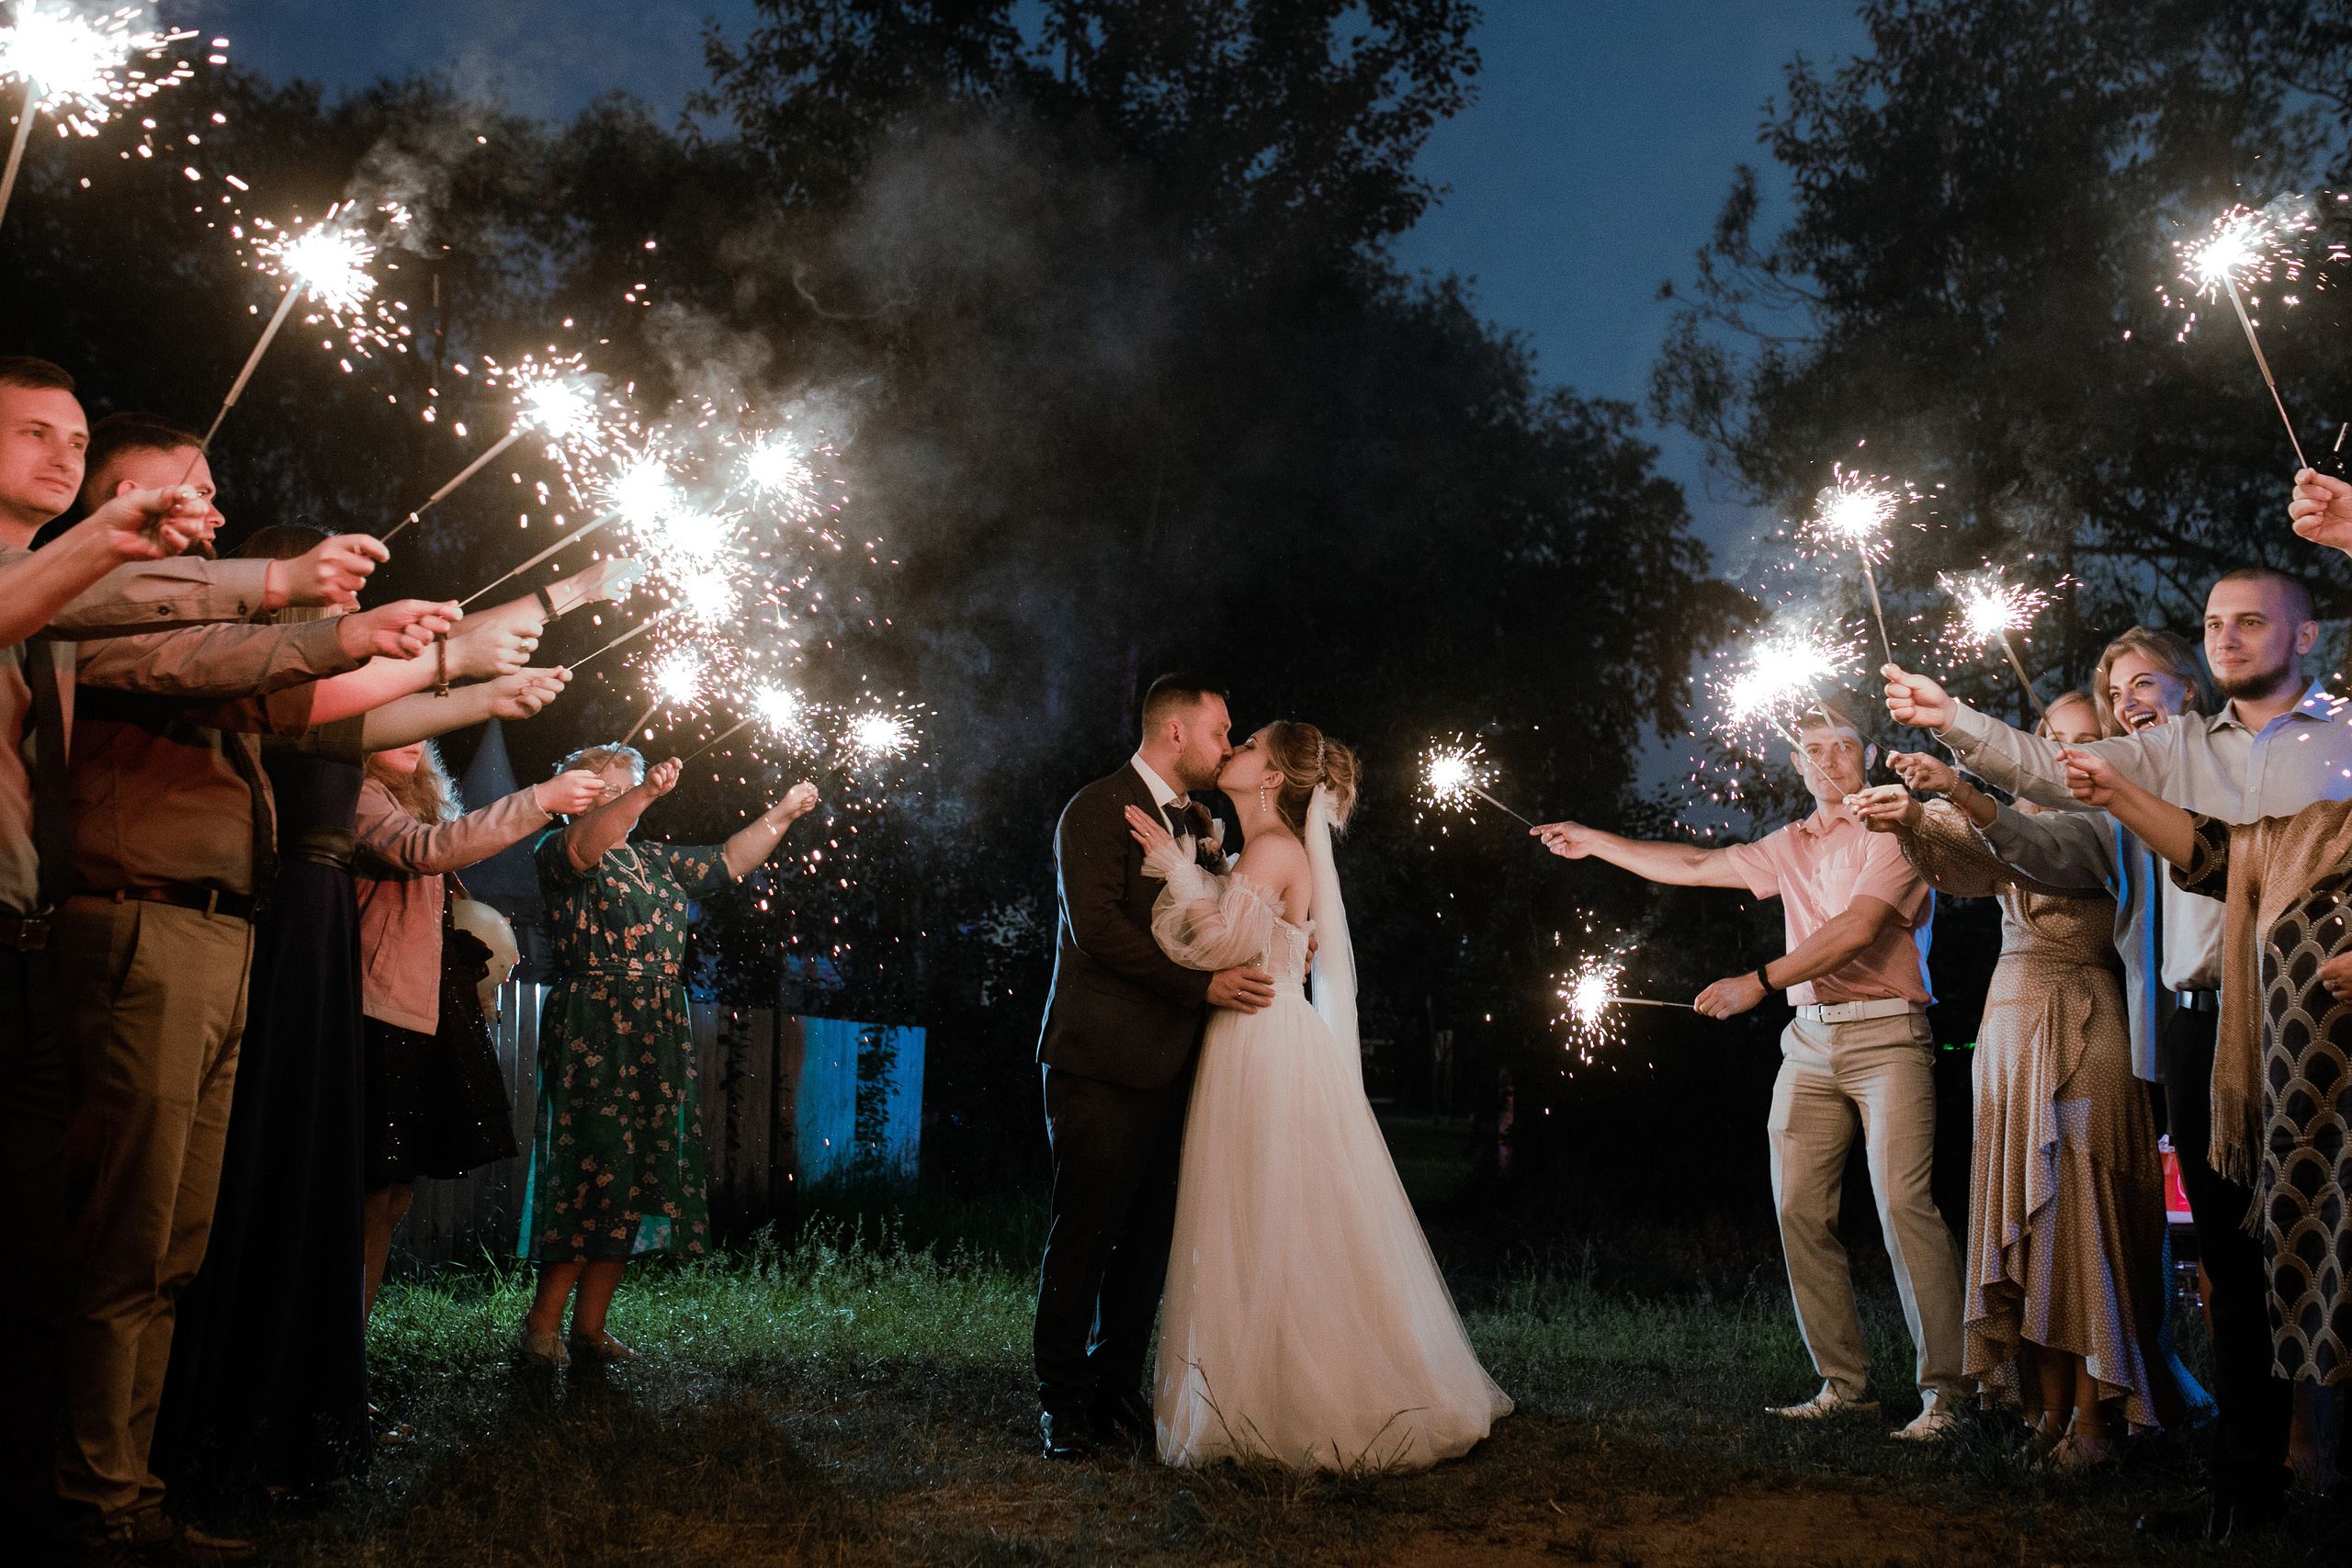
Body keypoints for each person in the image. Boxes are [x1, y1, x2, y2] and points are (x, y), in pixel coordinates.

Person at [1883, 561, 2352, 1534]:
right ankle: (2245, 1489)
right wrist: (1953, 719)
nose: (2227, 638)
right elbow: (2051, 772)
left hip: (2319, 1014)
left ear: (2305, 636)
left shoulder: (2344, 736)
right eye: (2214, 623)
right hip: (2198, 1024)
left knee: (2328, 1245)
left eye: (2250, 621)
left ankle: (2326, 1459)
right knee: (2232, 1262)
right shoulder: (2171, 750)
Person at [1534, 705, 1968, 1438]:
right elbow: (1695, 865)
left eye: (1843, 746)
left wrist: (1757, 982)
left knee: (1904, 1205)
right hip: (1809, 1041)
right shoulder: (1789, 842)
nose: (1829, 759)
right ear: (1798, 763)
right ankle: (1846, 1385)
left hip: (1888, 1034)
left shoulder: (1900, 828)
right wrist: (1595, 841)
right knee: (1798, 1207)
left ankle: (1951, 1394)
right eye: (1813, 749)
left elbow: (1857, 928)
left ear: (1867, 755)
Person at [1125, 720, 1511, 1467]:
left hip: (1261, 1039)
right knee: (1261, 1211)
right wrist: (1206, 865)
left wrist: (1178, 869)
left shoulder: (1274, 847)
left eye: (1249, 745)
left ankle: (1289, 1398)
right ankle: (1263, 1391)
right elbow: (1252, 929)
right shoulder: (1262, 849)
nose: (1234, 750)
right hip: (1259, 1034)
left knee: (1265, 1210)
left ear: (1271, 777)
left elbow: (1220, 945)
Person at [1851, 693, 2209, 1466]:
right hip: (2008, 1029)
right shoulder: (2013, 822)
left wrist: (1950, 793)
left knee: (2081, 1221)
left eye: (2087, 739)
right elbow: (1971, 863)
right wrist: (1912, 815)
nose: (2069, 752)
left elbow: (2028, 853)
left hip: (2084, 1022)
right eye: (2054, 738)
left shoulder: (2111, 824)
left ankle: (2095, 1420)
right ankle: (2046, 1414)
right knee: (2030, 1225)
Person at [2057, 745, 2351, 1452]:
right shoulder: (2319, 828)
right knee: (2278, 1274)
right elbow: (2215, 849)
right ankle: (2261, 1474)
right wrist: (2117, 791)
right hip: (2299, 1100)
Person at [1031, 674, 1276, 1461]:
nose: (1228, 743)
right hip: (1100, 1061)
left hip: (1175, 1065)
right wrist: (1201, 987)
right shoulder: (1096, 808)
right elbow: (1097, 929)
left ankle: (1115, 1388)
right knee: (1086, 1233)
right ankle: (1061, 1402)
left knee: (1147, 1242)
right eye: (1220, 729)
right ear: (1176, 731)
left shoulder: (1197, 821)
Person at [517, 746, 818, 1365]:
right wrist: (645, 792)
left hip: (656, 1023)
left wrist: (784, 812)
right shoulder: (560, 848)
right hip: (596, 1024)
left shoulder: (654, 859)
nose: (626, 796)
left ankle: (589, 1330)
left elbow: (730, 859)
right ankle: (541, 1328)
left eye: (629, 786)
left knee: (635, 1176)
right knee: (591, 1173)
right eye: (611, 787)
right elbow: (592, 840)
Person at [352, 741, 604, 1319]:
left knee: (392, 1197)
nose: (414, 738)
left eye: (424, 730)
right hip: (374, 1014)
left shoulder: (413, 803)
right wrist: (540, 800)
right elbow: (427, 850)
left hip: (419, 1013)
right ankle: (329, 1356)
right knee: (367, 1194)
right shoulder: (359, 794)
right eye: (401, 722)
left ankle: (349, 1352)